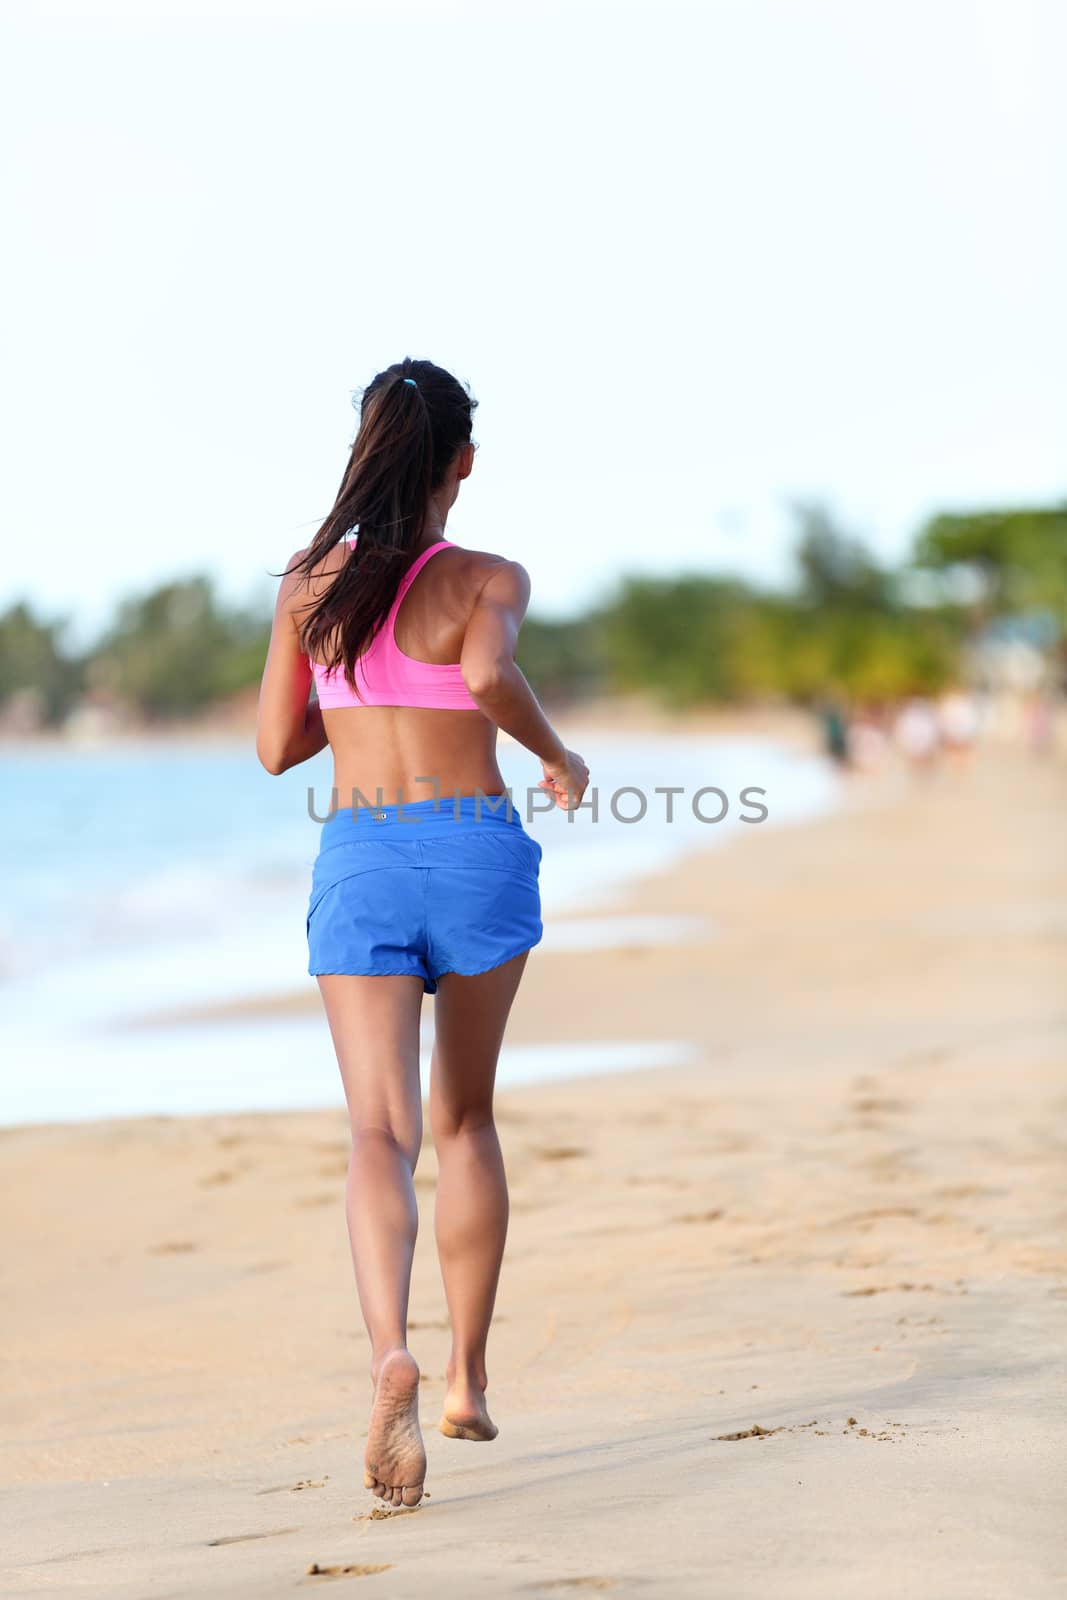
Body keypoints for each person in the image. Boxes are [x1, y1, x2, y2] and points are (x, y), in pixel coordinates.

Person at [255, 358, 589, 1509]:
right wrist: (553, 752)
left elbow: (272, 745)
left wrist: (354, 705)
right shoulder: (490, 576)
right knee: (465, 1117)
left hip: (360, 850)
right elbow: (489, 674)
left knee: (376, 1132)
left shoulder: (312, 584)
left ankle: (386, 1349)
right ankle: (463, 1380)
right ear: (461, 461)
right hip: (473, 848)